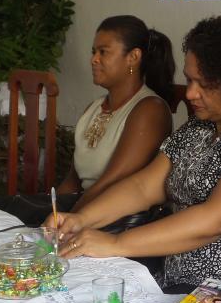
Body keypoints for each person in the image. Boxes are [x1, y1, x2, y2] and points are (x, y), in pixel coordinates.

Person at [52, 16, 221, 290]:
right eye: (189, 80)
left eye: (204, 84)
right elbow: (143, 187)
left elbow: (217, 220)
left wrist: (115, 243)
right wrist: (81, 219)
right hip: (173, 282)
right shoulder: (199, 126)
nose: (191, 93)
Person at [58, 15, 175, 214]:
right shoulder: (93, 108)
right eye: (94, 52)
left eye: (103, 52)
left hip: (118, 216)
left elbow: (114, 181)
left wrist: (69, 220)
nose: (94, 59)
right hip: (83, 207)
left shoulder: (150, 109)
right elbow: (73, 180)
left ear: (133, 57)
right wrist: (51, 211)